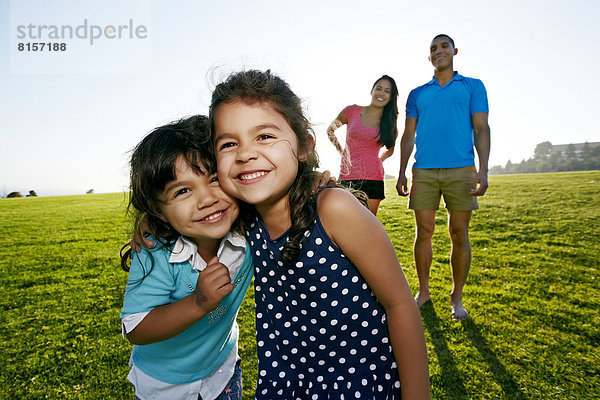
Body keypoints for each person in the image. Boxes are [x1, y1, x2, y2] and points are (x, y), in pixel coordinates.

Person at [210, 70, 430, 399]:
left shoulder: (333, 209)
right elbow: (184, 191)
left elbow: (400, 304)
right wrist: (151, 221)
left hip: (357, 385)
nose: (244, 153)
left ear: (303, 147)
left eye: (265, 136)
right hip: (287, 384)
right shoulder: (244, 219)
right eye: (229, 143)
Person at [119, 115, 253, 400]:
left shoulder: (250, 229)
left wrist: (312, 179)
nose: (206, 199)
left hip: (223, 368)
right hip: (167, 385)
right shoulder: (154, 252)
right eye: (182, 191)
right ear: (157, 211)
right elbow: (136, 328)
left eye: (214, 179)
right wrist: (198, 302)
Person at [395, 34, 491, 320]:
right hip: (423, 171)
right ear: (429, 58)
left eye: (444, 46)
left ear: (454, 51)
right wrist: (401, 170)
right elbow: (408, 134)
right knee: (423, 232)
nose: (439, 51)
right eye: (433, 49)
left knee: (459, 233)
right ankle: (423, 292)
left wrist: (483, 168)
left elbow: (482, 128)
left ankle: (456, 297)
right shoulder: (417, 93)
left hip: (461, 169)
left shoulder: (473, 86)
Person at [327, 75, 399, 215]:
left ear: (391, 97)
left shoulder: (389, 124)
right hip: (347, 176)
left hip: (374, 178)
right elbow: (330, 131)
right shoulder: (351, 111)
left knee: (368, 225)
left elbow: (391, 150)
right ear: (371, 91)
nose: (381, 93)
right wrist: (343, 152)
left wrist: (380, 160)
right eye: (378, 88)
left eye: (387, 91)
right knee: (344, 221)